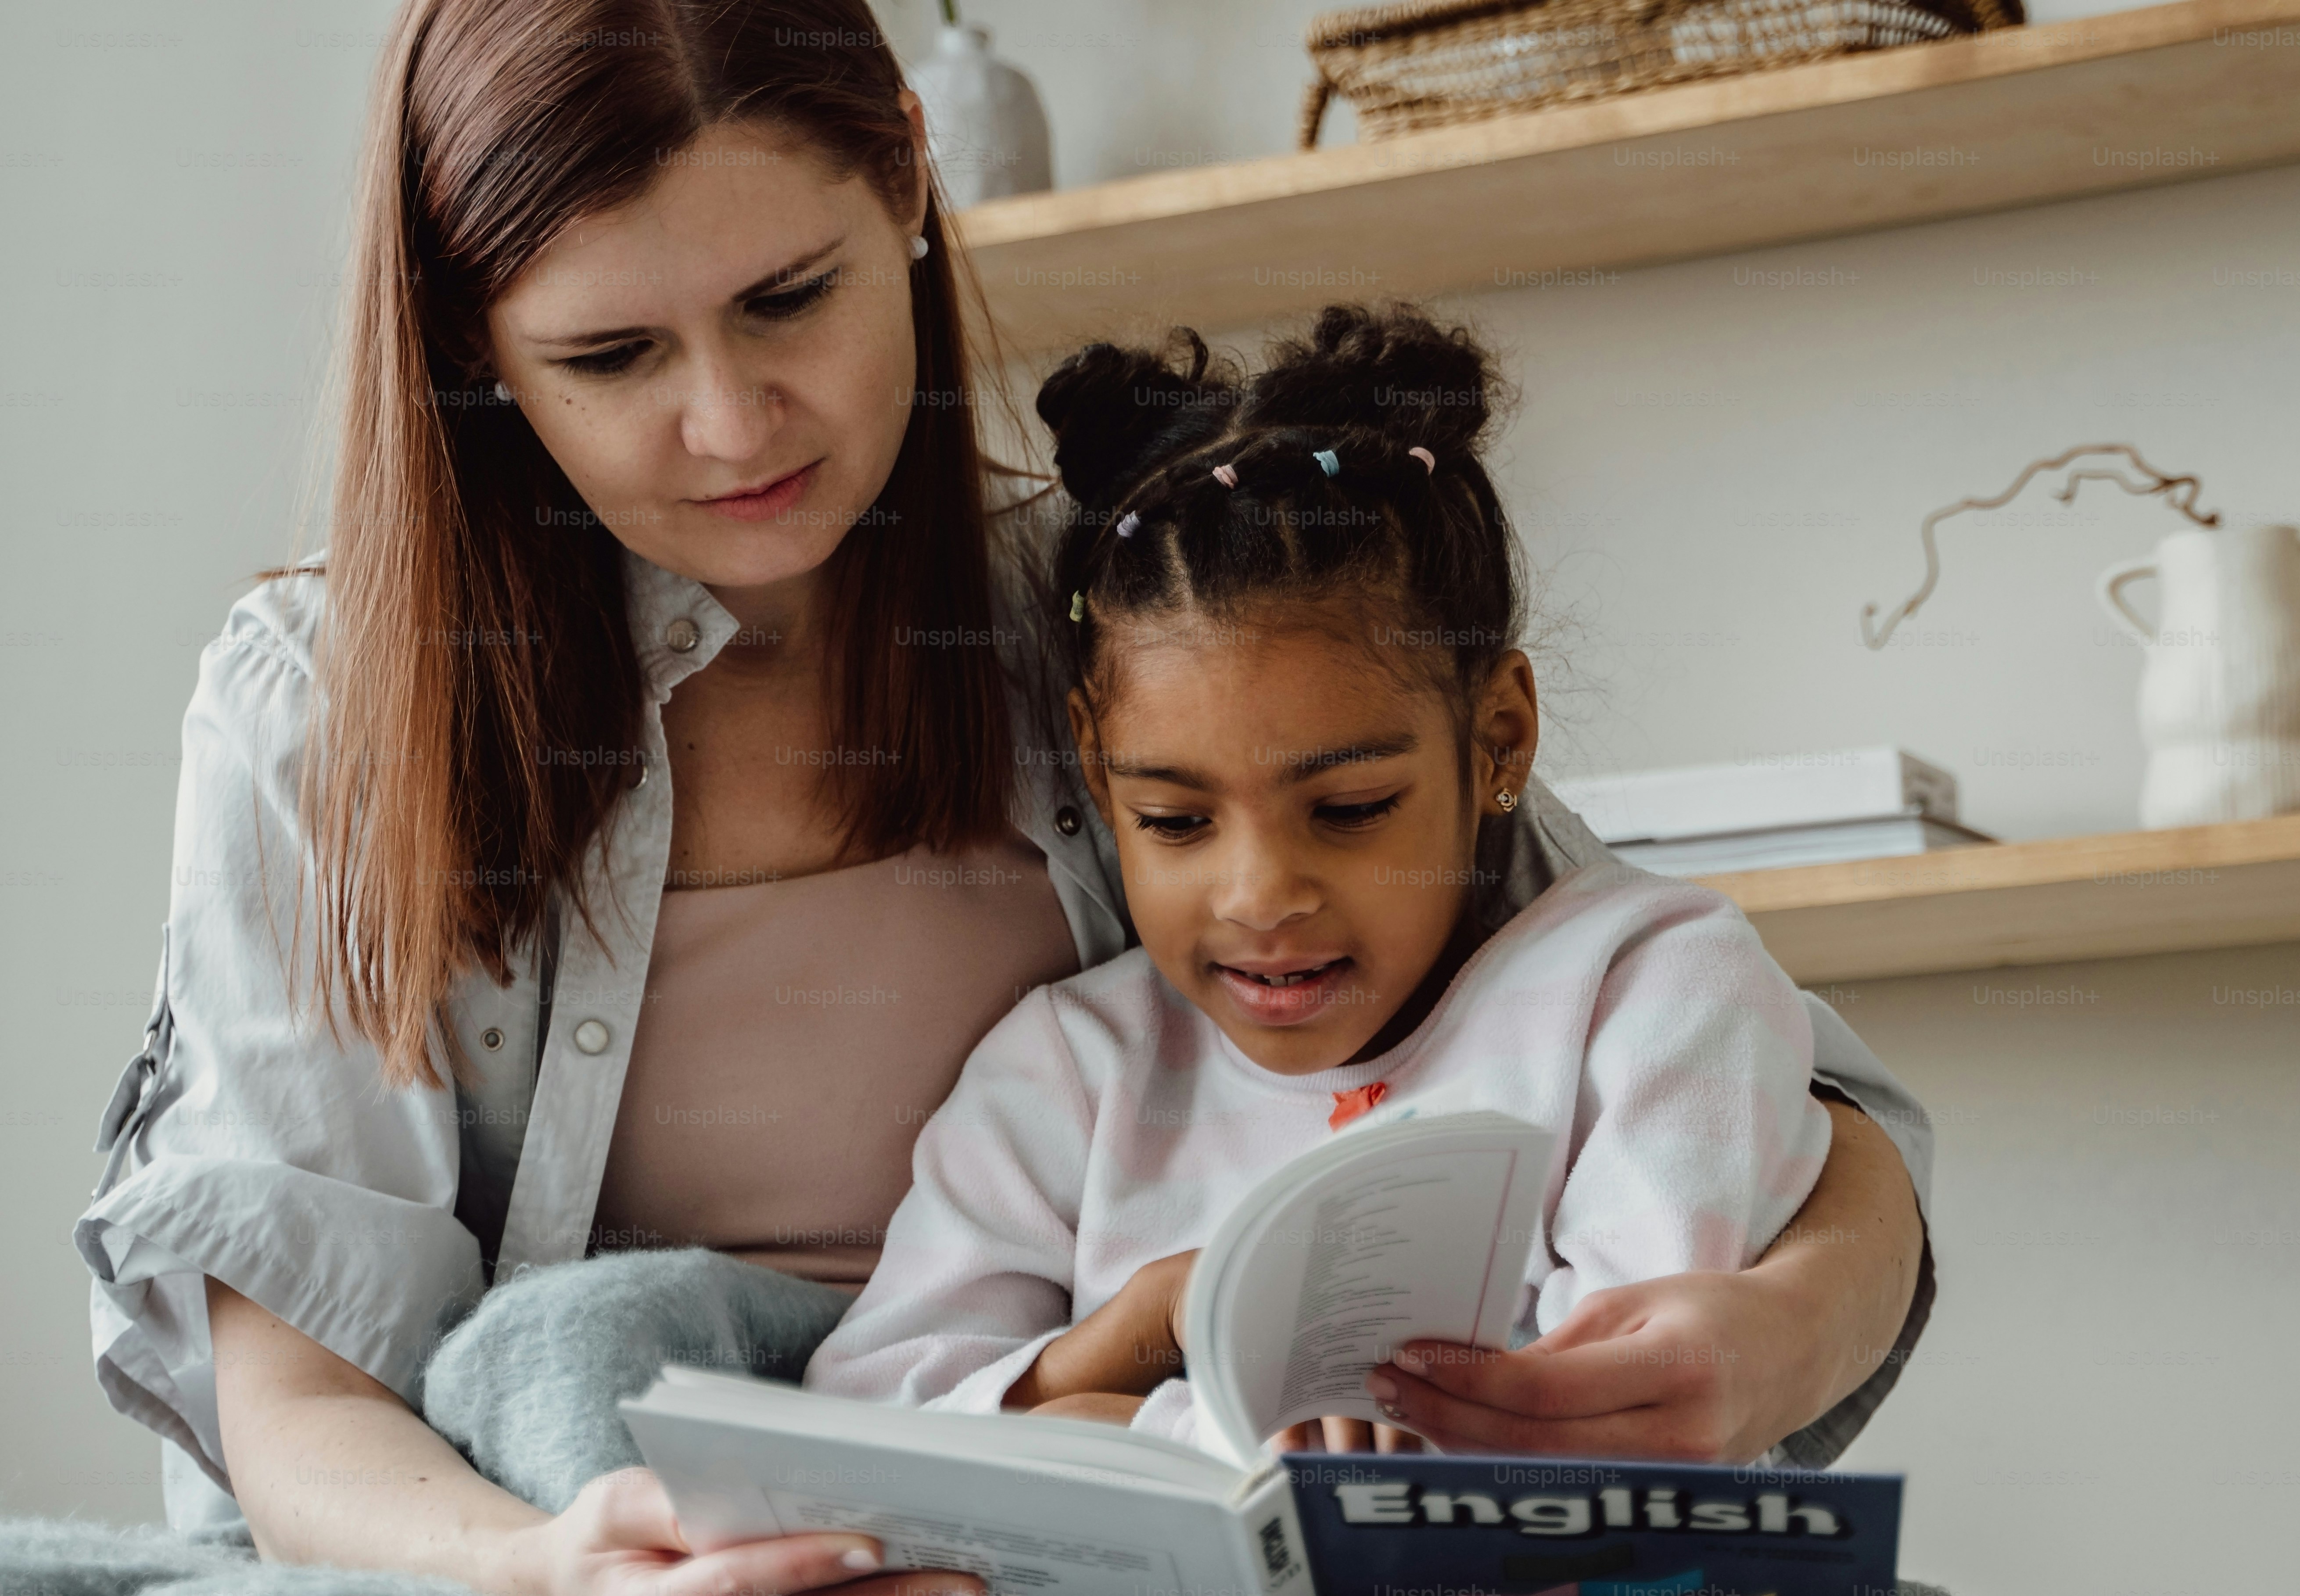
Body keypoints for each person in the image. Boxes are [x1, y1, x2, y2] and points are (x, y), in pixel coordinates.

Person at [73, 3, 1933, 1593]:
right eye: (610, 357)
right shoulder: (326, 705)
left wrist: (1766, 1333)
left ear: (907, 174)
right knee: (579, 1345)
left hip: (1093, 1485)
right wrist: (548, 1563)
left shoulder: (1141, 612)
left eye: (789, 298)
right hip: (567, 1517)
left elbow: (1753, 1076)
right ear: (474, 343)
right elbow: (298, 1406)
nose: (731, 425)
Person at [810, 308, 1838, 1455]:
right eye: (1175, 819)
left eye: (1348, 812)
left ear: (1499, 740)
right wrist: (1135, 1338)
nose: (1260, 895)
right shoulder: (1064, 1076)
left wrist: (1124, 1431)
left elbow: (1609, 1403)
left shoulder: (1645, 992)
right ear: (1095, 767)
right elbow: (858, 1440)